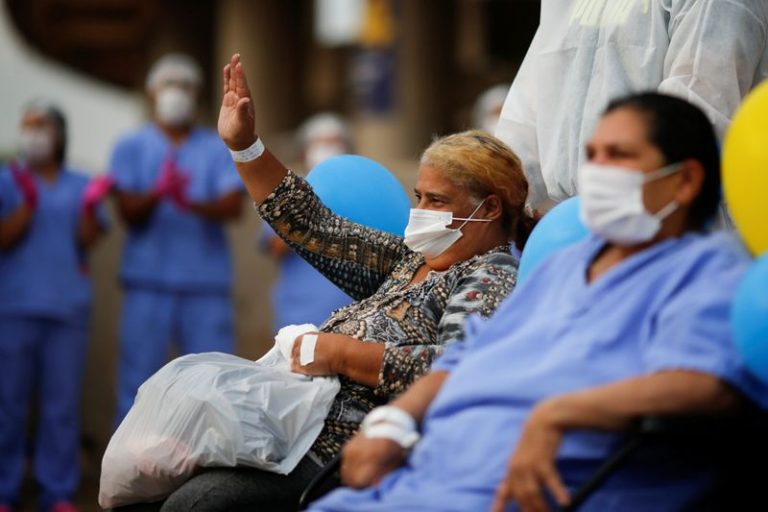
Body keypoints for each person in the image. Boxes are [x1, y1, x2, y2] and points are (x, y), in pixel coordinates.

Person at [114, 53, 537, 512]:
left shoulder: (490, 274)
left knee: (198, 505)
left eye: (437, 200)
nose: (421, 211)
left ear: (490, 209)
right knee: (145, 481)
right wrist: (246, 146)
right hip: (293, 429)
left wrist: (343, 353)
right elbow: (317, 227)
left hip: (345, 452)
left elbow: (460, 369)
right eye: (419, 196)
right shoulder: (412, 259)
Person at [309, 93, 768, 512]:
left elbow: (706, 385)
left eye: (619, 155)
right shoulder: (563, 265)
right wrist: (392, 422)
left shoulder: (706, 272)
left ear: (685, 180)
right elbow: (466, 357)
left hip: (528, 490)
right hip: (427, 475)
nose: (598, 171)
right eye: (593, 156)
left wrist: (559, 413)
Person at [497, 0, 768, 210]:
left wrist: (621, 196)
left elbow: (695, 112)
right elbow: (529, 105)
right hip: (566, 226)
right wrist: (505, 191)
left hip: (664, 216)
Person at [109, 53, 245, 424]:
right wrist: (158, 193)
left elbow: (233, 206)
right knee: (137, 382)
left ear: (198, 94)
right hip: (147, 284)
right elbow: (126, 212)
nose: (177, 94)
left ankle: (211, 475)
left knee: (214, 384)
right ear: (153, 93)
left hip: (205, 286)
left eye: (185, 86)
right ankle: (131, 473)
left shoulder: (216, 146)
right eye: (169, 86)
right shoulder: (131, 146)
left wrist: (188, 202)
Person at [0, 101, 110, 512]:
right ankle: (4, 490)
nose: (33, 133)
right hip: (14, 307)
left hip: (66, 309)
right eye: (26, 125)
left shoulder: (80, 182)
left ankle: (57, 490)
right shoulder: (7, 180)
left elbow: (87, 239)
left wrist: (88, 208)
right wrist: (27, 205)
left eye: (41, 126)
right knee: (8, 404)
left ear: (59, 134)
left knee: (61, 406)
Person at [259, 112, 355, 333]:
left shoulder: (362, 191)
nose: (326, 149)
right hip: (301, 314)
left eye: (333, 143)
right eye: (319, 143)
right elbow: (276, 246)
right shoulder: (286, 194)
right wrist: (316, 204)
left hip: (354, 313)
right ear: (304, 151)